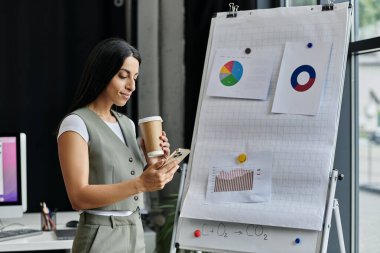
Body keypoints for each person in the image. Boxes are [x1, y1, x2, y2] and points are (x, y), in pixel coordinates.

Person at [57, 38, 179, 253]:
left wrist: (153, 164)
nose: (131, 86)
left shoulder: (127, 124)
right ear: (103, 73)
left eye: (135, 77)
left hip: (134, 231)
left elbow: (131, 180)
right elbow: (78, 197)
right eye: (123, 76)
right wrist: (142, 183)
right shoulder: (76, 123)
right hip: (100, 236)